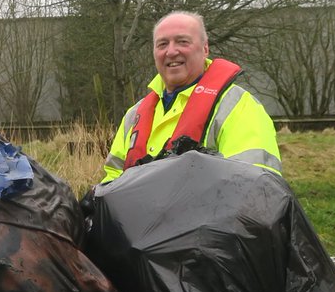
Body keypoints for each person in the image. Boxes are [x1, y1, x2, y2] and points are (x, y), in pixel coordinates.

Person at [100, 11, 281, 183]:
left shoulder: (239, 106)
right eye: (162, 44)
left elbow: (254, 186)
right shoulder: (134, 115)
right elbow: (113, 178)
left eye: (182, 42)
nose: (171, 52)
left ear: (205, 49)